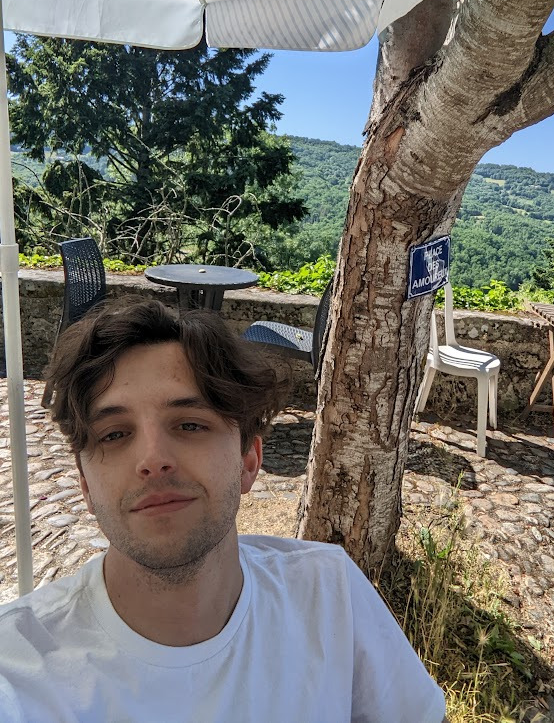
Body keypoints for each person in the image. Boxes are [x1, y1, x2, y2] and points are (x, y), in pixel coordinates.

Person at [0, 296, 448, 723]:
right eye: (114, 434)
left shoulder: (329, 595)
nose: (152, 459)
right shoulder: (19, 671)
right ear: (84, 484)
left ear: (248, 461)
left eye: (190, 424)